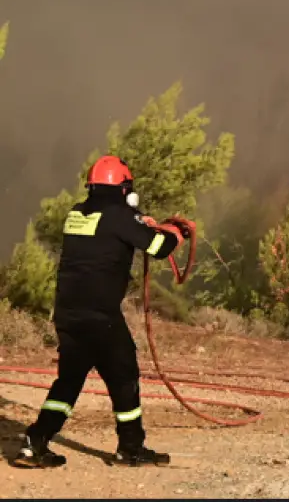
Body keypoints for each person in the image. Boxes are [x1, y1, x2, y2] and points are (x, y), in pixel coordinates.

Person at [14, 156, 193, 469]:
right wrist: (177, 231)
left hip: (68, 313)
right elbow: (159, 248)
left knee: (69, 381)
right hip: (100, 317)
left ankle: (35, 443)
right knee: (125, 377)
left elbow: (111, 227)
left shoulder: (76, 214)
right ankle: (130, 448)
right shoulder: (120, 216)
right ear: (124, 188)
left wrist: (139, 221)